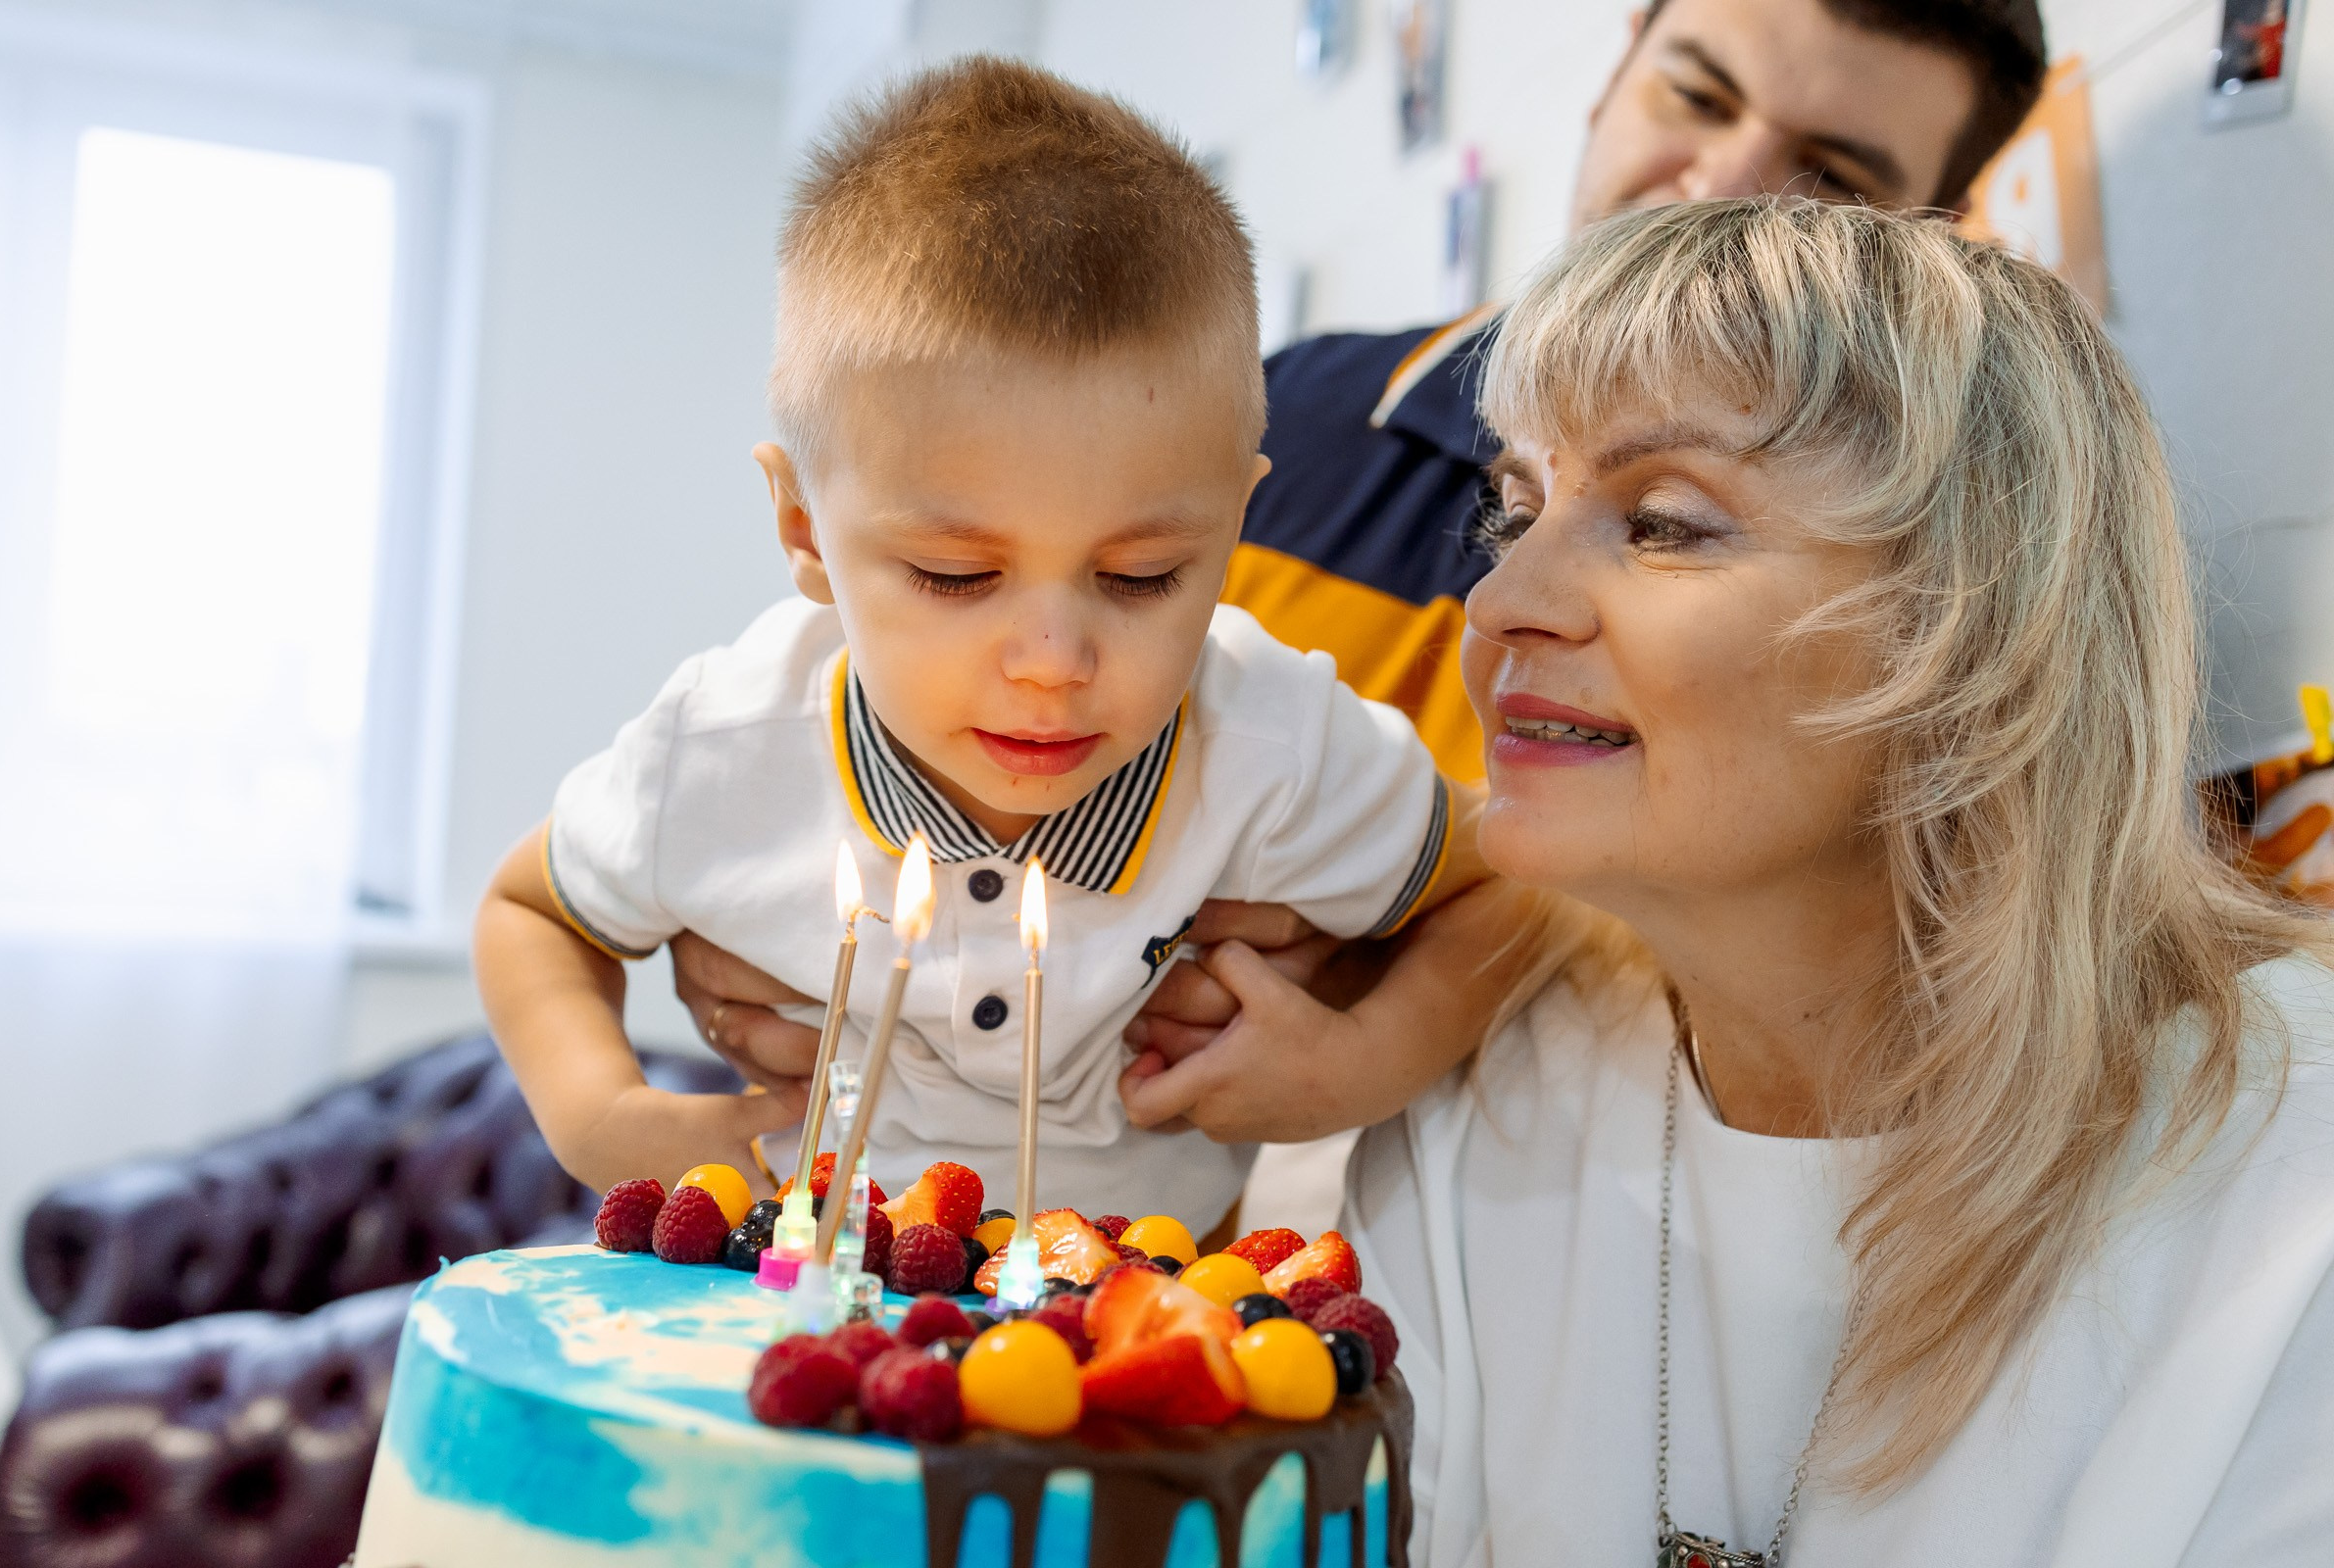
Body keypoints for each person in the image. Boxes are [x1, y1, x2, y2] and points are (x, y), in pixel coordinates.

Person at [669, 0, 2054, 1136]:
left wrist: (1412, 964)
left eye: (1831, 176)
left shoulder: (1917, 622)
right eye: (1696, 95)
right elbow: (872, 743)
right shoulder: (1262, 441)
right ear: (1609, 83)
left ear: (1932, 237)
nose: (1728, 186)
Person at [1221, 197, 2331, 1563]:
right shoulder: (1479, 1100)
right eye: (1514, 510)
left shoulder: (2295, 1183)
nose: (1502, 604)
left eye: (1665, 524)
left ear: (1978, 624)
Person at [471, 59, 1488, 1230]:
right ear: (805, 527)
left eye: (1142, 576)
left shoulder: (1277, 741)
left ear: (1234, 525)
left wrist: (1366, 1058)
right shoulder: (725, 740)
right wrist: (600, 1113)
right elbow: (530, 911)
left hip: (1139, 1350)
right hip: (813, 1324)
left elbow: (1501, 885)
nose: (1054, 658)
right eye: (957, 576)